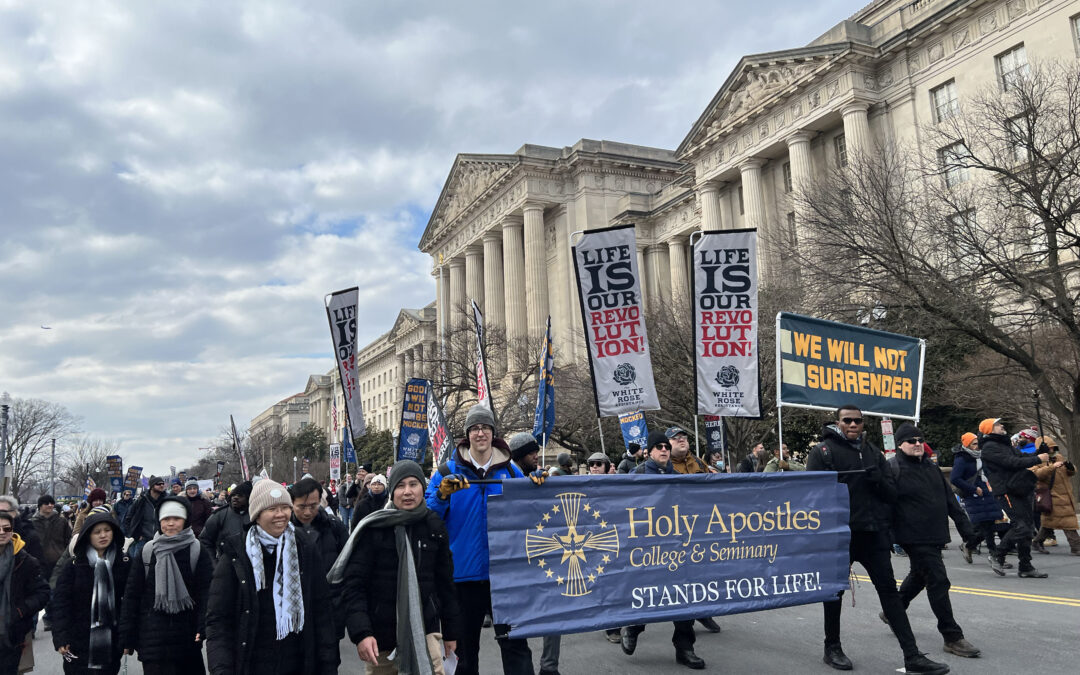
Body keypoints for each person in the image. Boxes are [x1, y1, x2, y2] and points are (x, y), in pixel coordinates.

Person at [806, 405, 948, 674]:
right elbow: (812, 496)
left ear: (863, 423)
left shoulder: (874, 453)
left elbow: (891, 494)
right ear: (838, 422)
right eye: (847, 420)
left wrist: (877, 481)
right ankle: (832, 647)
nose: (853, 425)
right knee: (833, 594)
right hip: (840, 535)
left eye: (857, 421)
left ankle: (912, 655)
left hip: (873, 535)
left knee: (891, 595)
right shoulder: (822, 452)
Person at [425, 403, 539, 675]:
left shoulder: (511, 471)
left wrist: (540, 485)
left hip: (504, 576)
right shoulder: (445, 472)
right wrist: (442, 494)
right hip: (462, 577)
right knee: (463, 653)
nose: (480, 433)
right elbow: (429, 519)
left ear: (492, 433)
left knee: (516, 648)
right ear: (467, 435)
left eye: (485, 427)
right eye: (474, 428)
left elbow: (529, 512)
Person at [334, 460, 460, 674]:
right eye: (400, 486)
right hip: (380, 638)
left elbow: (445, 584)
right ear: (392, 491)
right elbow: (354, 585)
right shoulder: (373, 528)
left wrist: (451, 633)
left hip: (425, 632)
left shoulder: (433, 526)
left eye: (413, 484)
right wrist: (361, 633)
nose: (408, 492)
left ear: (423, 487)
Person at [206, 478, 340, 675]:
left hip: (298, 662)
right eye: (271, 509)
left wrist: (328, 665)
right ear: (257, 515)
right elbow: (218, 621)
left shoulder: (305, 548)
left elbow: (322, 610)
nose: (280, 515)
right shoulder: (236, 554)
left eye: (285, 507)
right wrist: (221, 669)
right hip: (252, 661)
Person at [883, 425, 980, 659]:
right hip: (912, 536)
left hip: (934, 533)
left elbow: (950, 502)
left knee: (920, 575)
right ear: (900, 444)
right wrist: (886, 537)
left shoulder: (932, 468)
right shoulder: (892, 469)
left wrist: (967, 531)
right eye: (910, 440)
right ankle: (952, 636)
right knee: (938, 580)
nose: (916, 443)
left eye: (919, 439)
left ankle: (893, 610)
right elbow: (884, 506)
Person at [623, 432, 704, 669]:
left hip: (676, 547)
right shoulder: (635, 475)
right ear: (649, 451)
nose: (664, 450)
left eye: (665, 446)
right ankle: (634, 627)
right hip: (646, 548)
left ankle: (685, 648)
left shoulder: (679, 477)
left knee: (684, 596)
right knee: (647, 594)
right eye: (658, 446)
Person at [119, 495, 214, 674]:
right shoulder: (147, 551)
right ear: (159, 520)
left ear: (185, 520)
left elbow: (206, 592)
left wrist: (203, 625)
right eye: (166, 519)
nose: (171, 524)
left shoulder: (197, 550)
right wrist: (127, 636)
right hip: (152, 641)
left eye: (176, 518)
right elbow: (132, 595)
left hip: (187, 639)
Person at [51, 510, 131, 675]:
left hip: (112, 640)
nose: (103, 535)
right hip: (78, 640)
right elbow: (61, 603)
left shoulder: (124, 563)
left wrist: (127, 637)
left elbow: (130, 603)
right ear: (88, 535)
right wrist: (61, 636)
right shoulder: (73, 565)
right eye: (97, 532)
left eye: (107, 530)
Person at [665, 427, 722, 635]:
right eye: (676, 438)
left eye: (684, 437)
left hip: (701, 526)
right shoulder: (665, 465)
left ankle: (702, 611)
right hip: (676, 530)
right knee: (681, 576)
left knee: (703, 573)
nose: (682, 441)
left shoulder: (698, 462)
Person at [979, 417, 1050, 577]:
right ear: (989, 429)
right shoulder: (990, 447)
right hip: (1007, 490)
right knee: (1021, 526)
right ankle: (998, 555)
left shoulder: (1004, 444)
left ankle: (1025, 566)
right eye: (997, 425)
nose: (1002, 426)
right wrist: (1038, 459)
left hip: (1020, 487)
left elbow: (1021, 458)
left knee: (1027, 527)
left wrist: (1039, 452)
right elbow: (1011, 462)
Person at [0, 508, 51, 673]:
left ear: (12, 530)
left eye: (6, 528)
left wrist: (21, 611)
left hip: (11, 634)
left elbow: (43, 593)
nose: (2, 532)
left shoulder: (26, 561)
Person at [950, 433, 1005, 564]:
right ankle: (995, 555)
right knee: (986, 526)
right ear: (967, 445)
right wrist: (973, 489)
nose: (977, 446)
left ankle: (969, 545)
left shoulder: (982, 456)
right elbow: (955, 478)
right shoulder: (962, 459)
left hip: (987, 492)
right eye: (974, 444)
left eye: (977, 443)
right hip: (974, 494)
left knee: (989, 525)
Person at [1030, 436, 1080, 555]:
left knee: (1049, 523)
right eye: (1050, 448)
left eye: (1053, 447)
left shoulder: (1058, 457)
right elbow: (1035, 474)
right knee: (1068, 522)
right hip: (1052, 496)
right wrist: (1052, 467)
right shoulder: (1036, 460)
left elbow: (1070, 473)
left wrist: (1070, 468)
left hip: (1065, 494)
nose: (1052, 450)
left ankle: (1036, 541)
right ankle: (1076, 547)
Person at [199, 481, 252, 560]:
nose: (235, 497)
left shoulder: (256, 515)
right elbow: (205, 541)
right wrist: (213, 564)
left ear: (248, 498)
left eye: (240, 495)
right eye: (233, 494)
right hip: (225, 568)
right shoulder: (219, 515)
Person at [123, 476, 168, 559]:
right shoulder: (141, 501)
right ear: (151, 486)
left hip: (161, 539)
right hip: (143, 540)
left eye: (163, 483)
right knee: (137, 565)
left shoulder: (166, 500)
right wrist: (135, 535)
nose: (161, 485)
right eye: (158, 484)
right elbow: (128, 518)